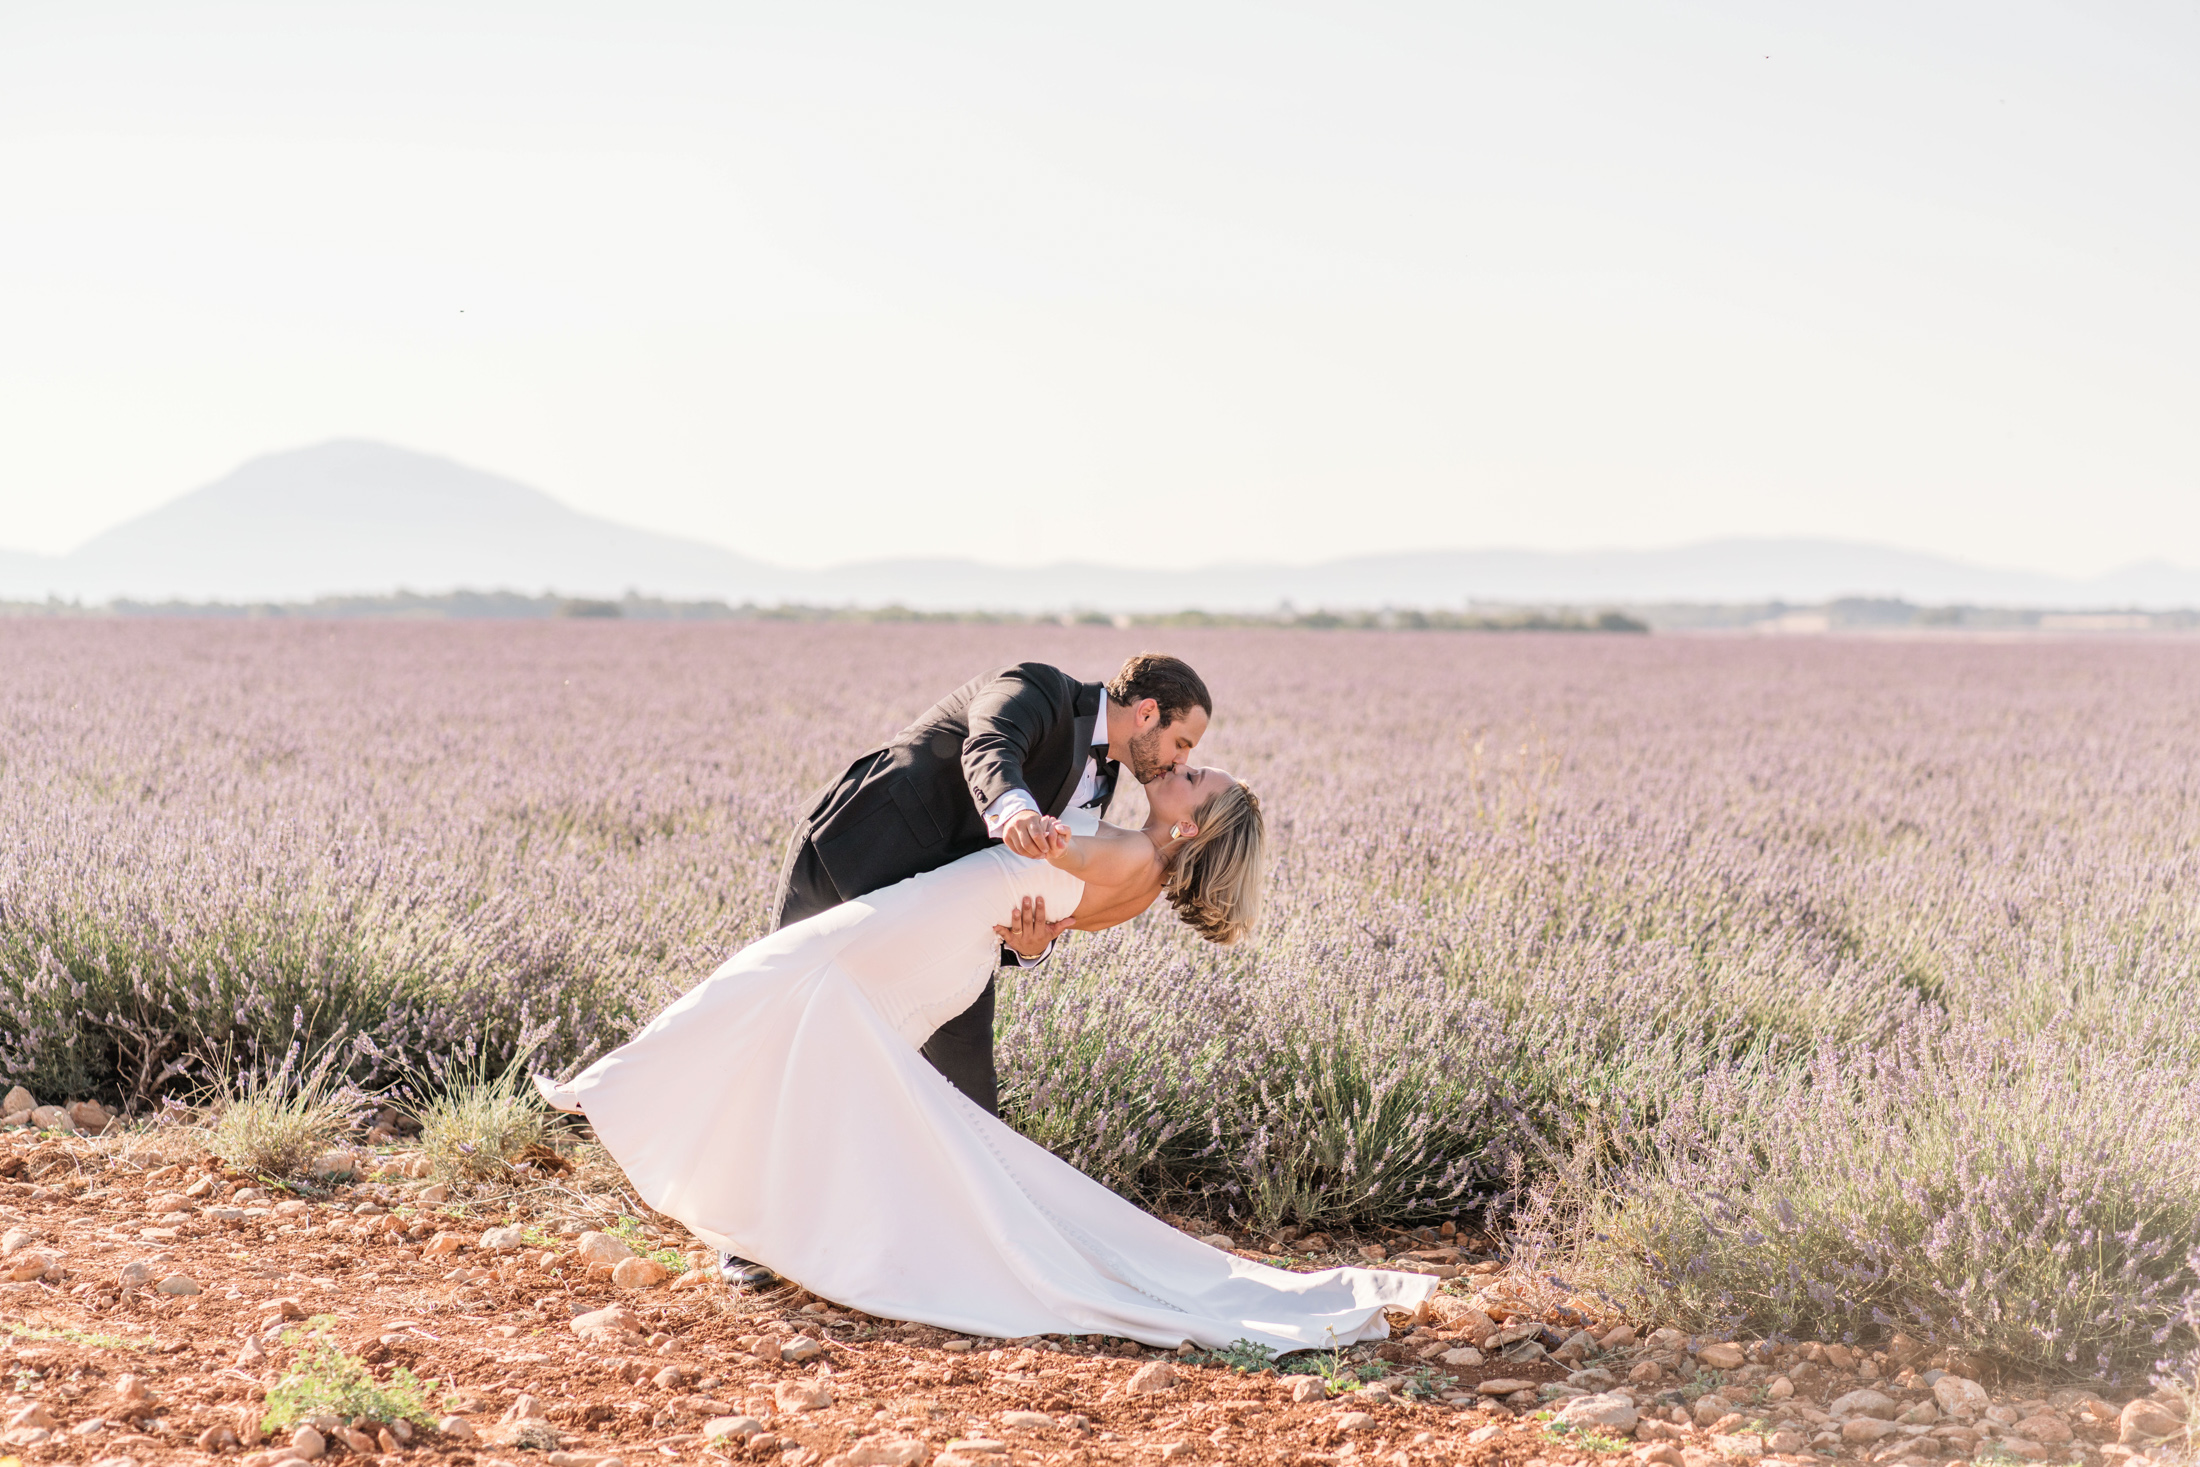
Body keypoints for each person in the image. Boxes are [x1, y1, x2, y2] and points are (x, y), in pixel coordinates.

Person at [537, 759, 1436, 1350]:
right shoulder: (1138, 874)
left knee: (774, 983)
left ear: (1194, 826)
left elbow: (1022, 846)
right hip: (943, 948)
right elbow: (1043, 931)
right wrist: (1038, 929)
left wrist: (1026, 804)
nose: (1179, 765)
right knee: (797, 1014)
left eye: (1192, 776)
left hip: (919, 934)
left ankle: (622, 1093)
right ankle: (754, 1186)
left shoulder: (1122, 846)